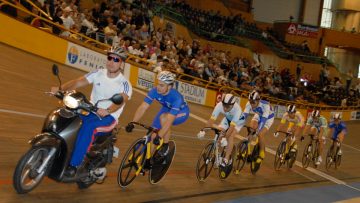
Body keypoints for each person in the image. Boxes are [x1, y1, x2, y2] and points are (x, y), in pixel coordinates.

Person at [51, 46, 132, 177]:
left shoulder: (124, 83)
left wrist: (108, 110)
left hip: (108, 117)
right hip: (90, 109)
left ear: (122, 64)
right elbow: (78, 82)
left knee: (88, 127)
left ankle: (74, 165)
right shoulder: (98, 73)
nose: (111, 61)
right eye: (110, 58)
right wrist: (60, 88)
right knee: (68, 115)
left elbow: (121, 100)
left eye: (116, 59)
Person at [126, 71, 190, 160]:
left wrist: (159, 136)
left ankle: (165, 145)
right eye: (158, 84)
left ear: (170, 86)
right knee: (152, 135)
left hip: (181, 112)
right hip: (166, 109)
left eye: (162, 85)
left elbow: (168, 121)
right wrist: (133, 122)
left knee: (163, 119)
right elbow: (143, 107)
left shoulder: (177, 98)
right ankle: (147, 160)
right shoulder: (154, 91)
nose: (158, 87)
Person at [197, 94, 245, 167]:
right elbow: (211, 120)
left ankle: (226, 158)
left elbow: (231, 127)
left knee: (230, 136)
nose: (225, 108)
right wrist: (203, 131)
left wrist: (225, 138)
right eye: (224, 105)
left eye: (227, 106)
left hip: (238, 122)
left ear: (232, 105)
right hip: (227, 119)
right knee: (219, 134)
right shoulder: (219, 105)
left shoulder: (237, 109)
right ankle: (217, 153)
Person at [242, 90, 275, 164]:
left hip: (268, 118)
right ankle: (247, 150)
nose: (251, 104)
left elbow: (263, 120)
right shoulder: (249, 103)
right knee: (251, 129)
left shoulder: (265, 106)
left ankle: (262, 153)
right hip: (258, 114)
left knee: (260, 134)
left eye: (253, 102)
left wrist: (258, 130)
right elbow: (245, 115)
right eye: (250, 102)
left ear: (258, 101)